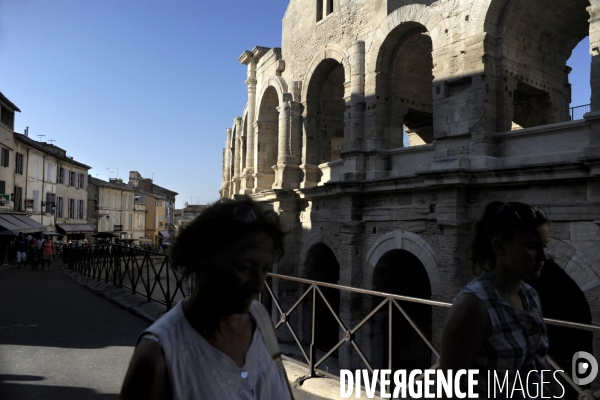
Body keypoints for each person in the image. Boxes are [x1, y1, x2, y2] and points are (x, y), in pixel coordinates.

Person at [120, 197, 293, 400]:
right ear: (202, 260)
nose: (258, 285)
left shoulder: (260, 318)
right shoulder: (157, 356)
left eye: (265, 269)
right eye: (244, 268)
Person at [439, 201, 559, 398]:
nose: (543, 256)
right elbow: (449, 389)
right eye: (532, 246)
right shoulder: (473, 307)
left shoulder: (530, 296)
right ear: (500, 246)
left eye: (544, 246)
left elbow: (539, 363)